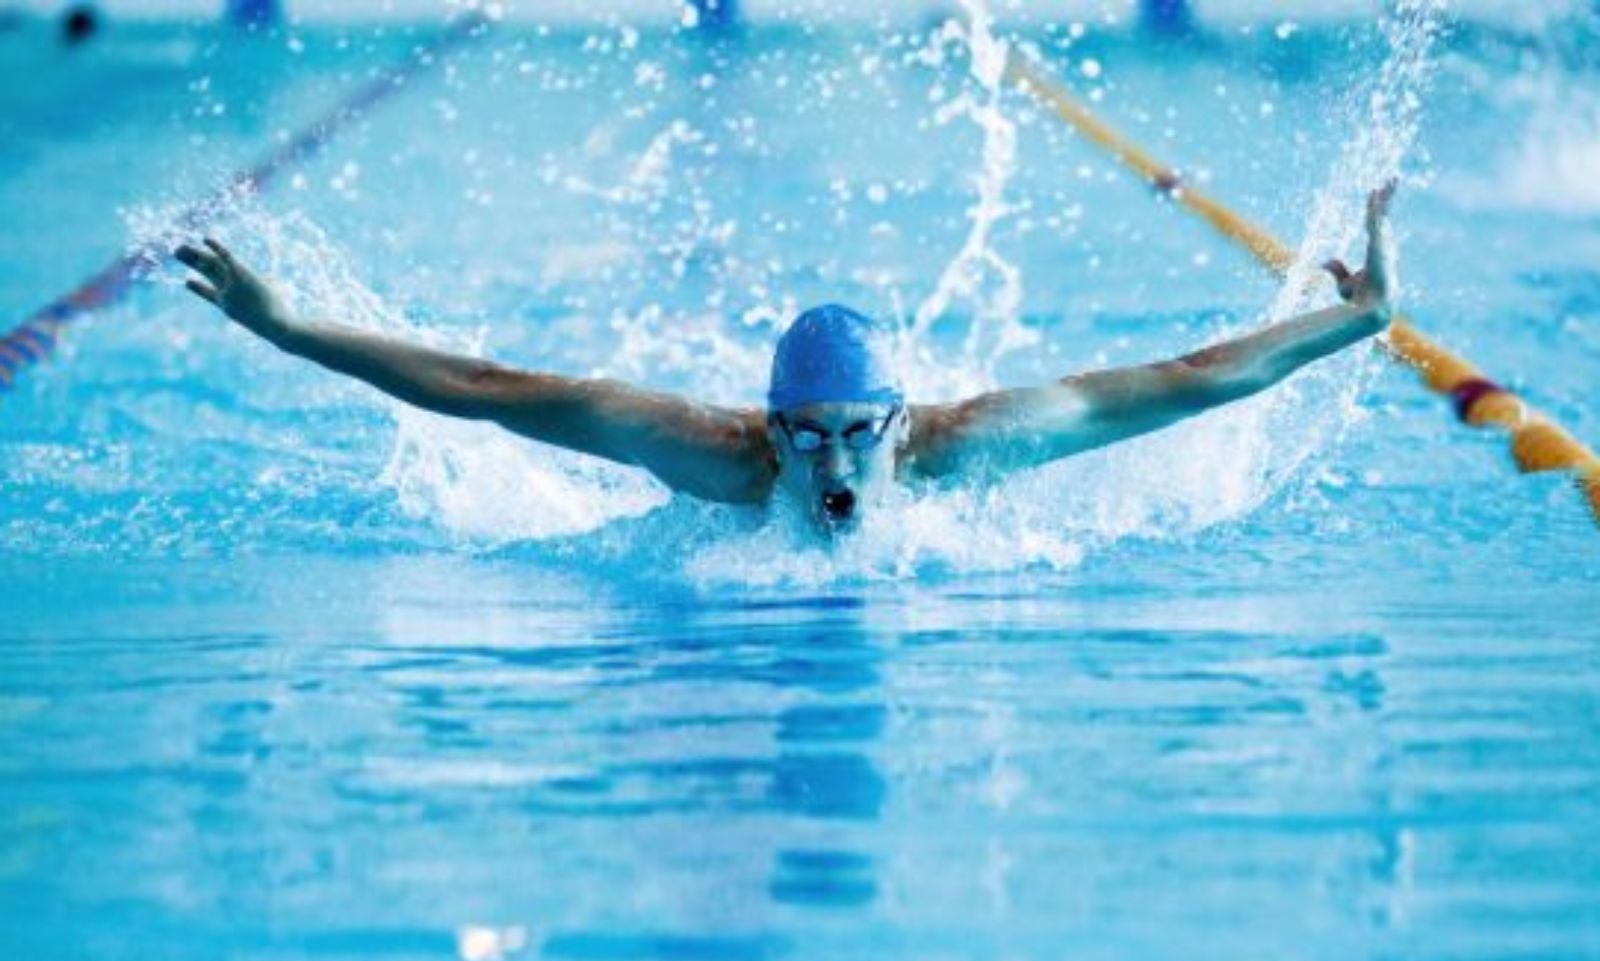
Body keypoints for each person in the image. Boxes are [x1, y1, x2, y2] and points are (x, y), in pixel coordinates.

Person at [175, 182, 1397, 536]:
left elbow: (1187, 381)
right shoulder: (714, 460)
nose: (830, 467)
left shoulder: (961, 446)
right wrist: (290, 330)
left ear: (898, 419)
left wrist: (1352, 318)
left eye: (854, 430)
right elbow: (491, 394)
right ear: (766, 429)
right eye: (804, 435)